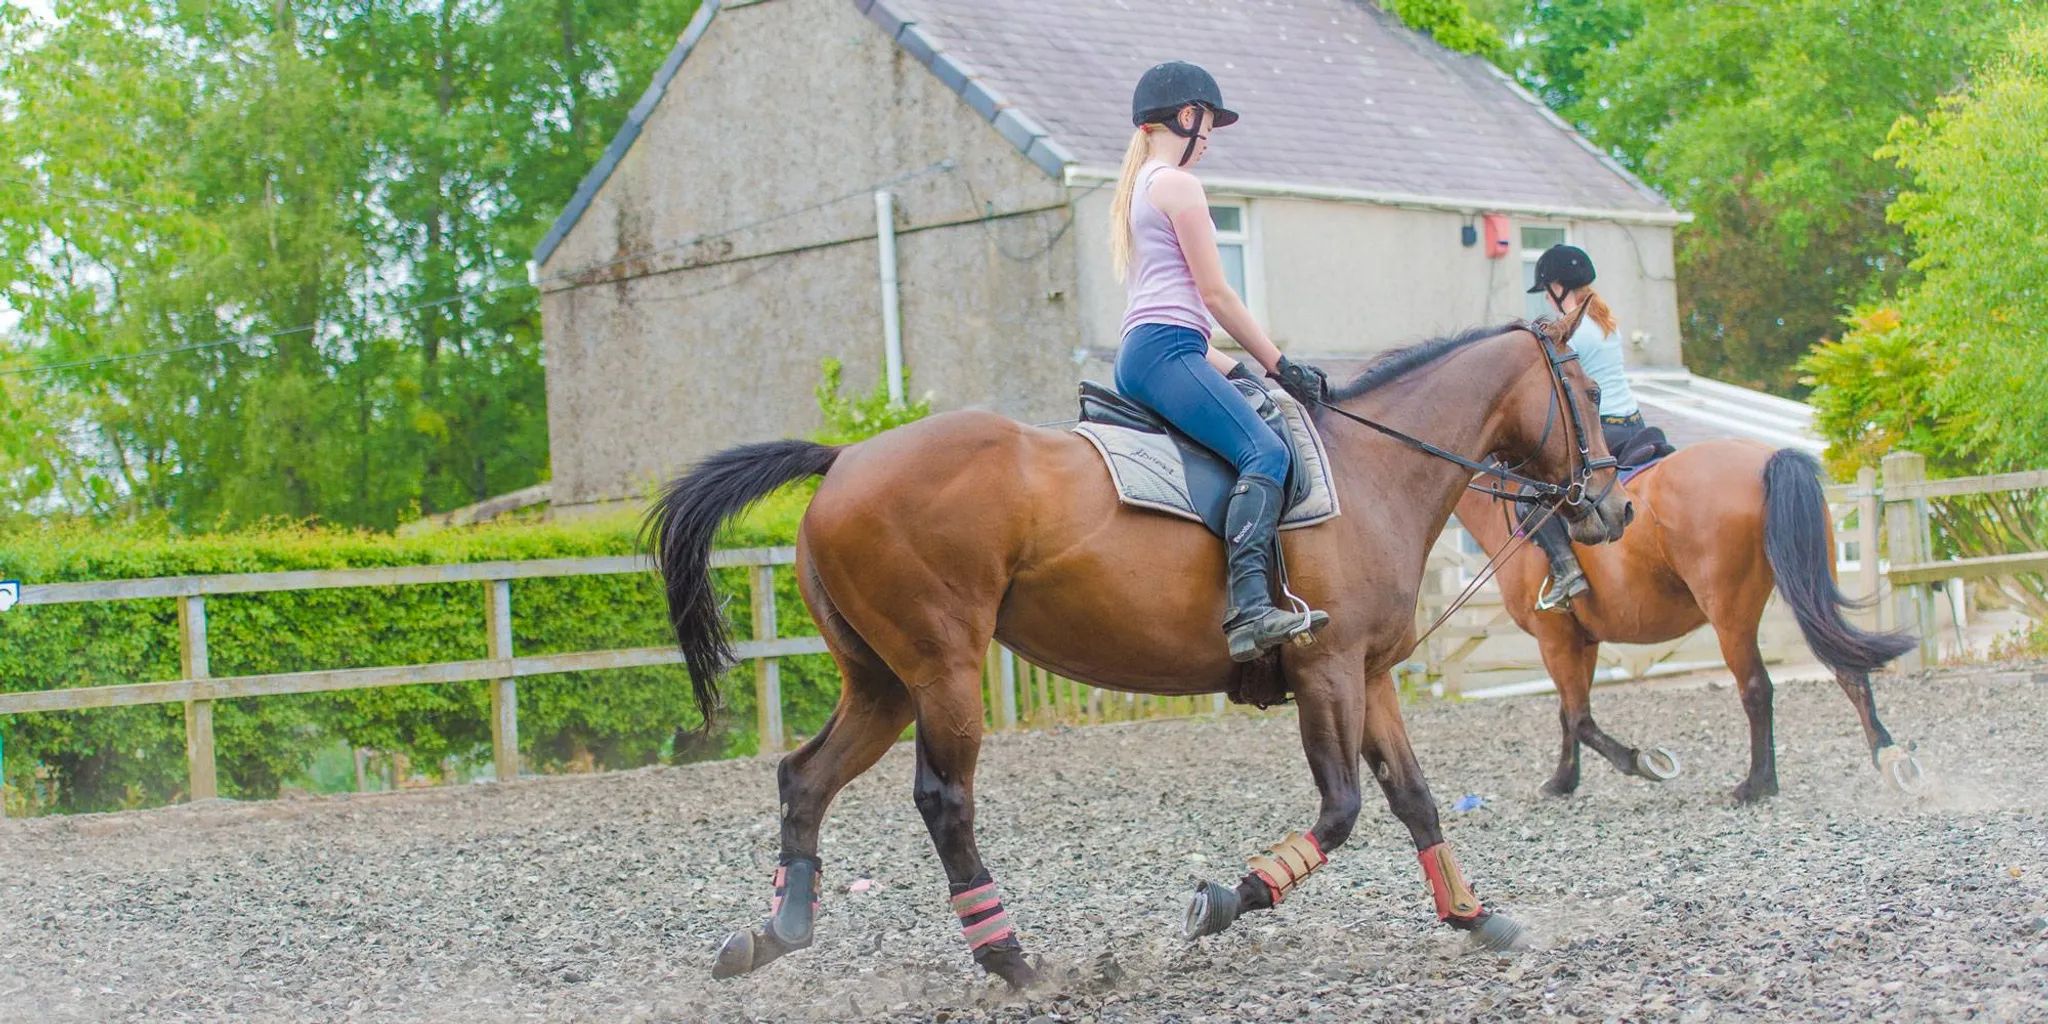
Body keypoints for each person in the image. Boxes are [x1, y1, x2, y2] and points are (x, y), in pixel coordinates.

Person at [1110, 60, 1330, 662]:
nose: (1207, 142)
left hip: (1151, 349)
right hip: (1169, 348)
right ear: (1187, 117)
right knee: (1267, 451)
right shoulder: (1179, 186)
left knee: (1253, 425)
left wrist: (1244, 370)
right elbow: (1216, 296)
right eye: (1207, 128)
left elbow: (1175, 310)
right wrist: (1281, 361)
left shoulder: (1138, 187)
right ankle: (1249, 608)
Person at [1522, 243, 1644, 611]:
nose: (1546, 297)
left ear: (1559, 287)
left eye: (1547, 290)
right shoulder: (1605, 322)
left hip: (1604, 430)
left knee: (1529, 496)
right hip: (1635, 424)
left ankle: (1567, 571)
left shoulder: (1573, 333)